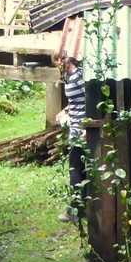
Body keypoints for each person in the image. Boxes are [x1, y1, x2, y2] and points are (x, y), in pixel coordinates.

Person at [55, 61, 88, 222]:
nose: (57, 65)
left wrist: (88, 126)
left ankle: (75, 210)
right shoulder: (69, 76)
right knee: (79, 169)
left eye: (58, 60)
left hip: (82, 129)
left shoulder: (79, 75)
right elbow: (76, 100)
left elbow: (89, 97)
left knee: (76, 169)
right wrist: (65, 110)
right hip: (75, 128)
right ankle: (81, 208)